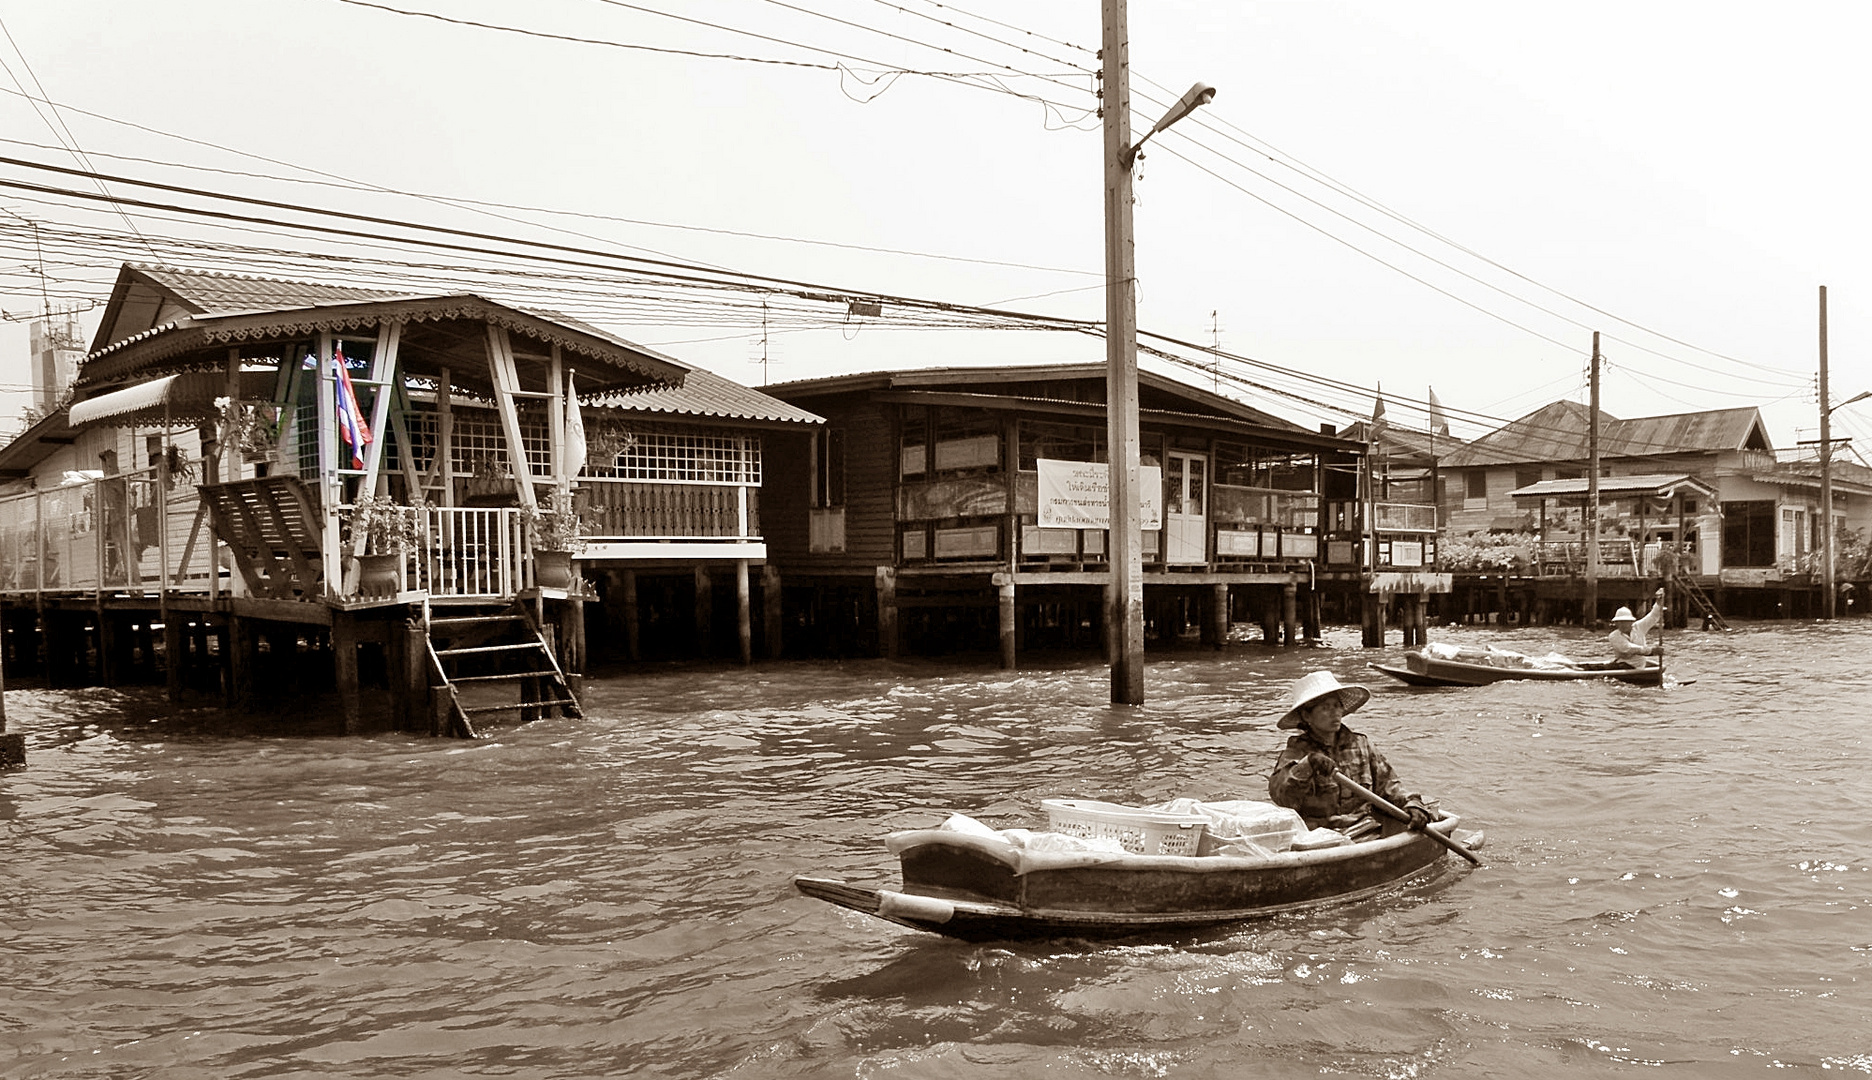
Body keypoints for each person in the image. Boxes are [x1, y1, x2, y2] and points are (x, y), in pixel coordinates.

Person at [1268, 670, 1432, 833]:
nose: (1335, 713)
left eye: (1337, 706)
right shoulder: (1296, 752)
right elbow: (1283, 797)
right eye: (1325, 707)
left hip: (1365, 829)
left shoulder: (1362, 745)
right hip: (1319, 836)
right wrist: (1307, 765)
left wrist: (1412, 804)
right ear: (1307, 716)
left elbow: (1390, 787)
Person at [1607, 588, 1666, 667]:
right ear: (1616, 624)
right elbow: (1628, 648)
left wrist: (1658, 603)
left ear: (1631, 622)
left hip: (1640, 665)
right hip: (1624, 665)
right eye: (1620, 622)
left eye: (1626, 622)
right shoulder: (1614, 636)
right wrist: (1651, 650)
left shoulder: (1639, 627)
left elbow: (1653, 616)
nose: (1623, 624)